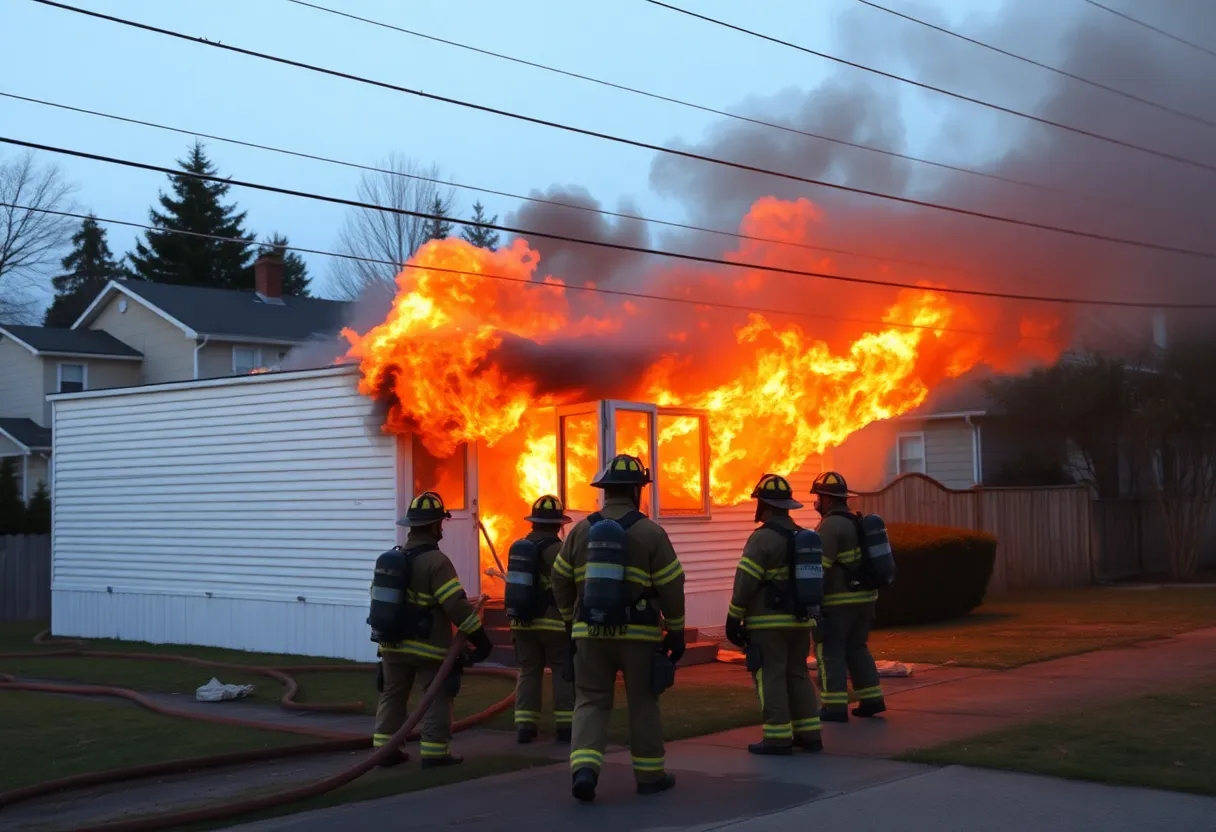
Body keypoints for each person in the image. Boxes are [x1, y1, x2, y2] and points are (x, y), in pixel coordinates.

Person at [551, 453, 687, 803]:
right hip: (638, 636)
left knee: (591, 701)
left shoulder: (581, 531)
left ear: (605, 490)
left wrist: (571, 619)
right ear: (637, 491)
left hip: (589, 634)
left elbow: (559, 578)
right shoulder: (651, 532)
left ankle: (584, 771)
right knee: (643, 702)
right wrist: (676, 630)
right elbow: (672, 584)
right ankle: (649, 776)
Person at [372, 491, 495, 767]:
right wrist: (481, 639)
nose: (441, 528)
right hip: (427, 647)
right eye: (440, 523)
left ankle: (385, 750)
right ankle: (435, 751)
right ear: (432, 526)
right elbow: (456, 605)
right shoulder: (436, 562)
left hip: (391, 644)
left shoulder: (394, 559)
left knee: (392, 694)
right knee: (438, 694)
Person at [725, 473, 823, 754]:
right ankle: (810, 733)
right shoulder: (802, 536)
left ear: (764, 506)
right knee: (798, 673)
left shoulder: (762, 539)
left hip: (767, 624)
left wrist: (733, 617)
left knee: (771, 675)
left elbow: (745, 582)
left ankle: (777, 737)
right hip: (799, 621)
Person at [811, 472, 886, 722]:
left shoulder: (830, 526)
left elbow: (818, 568)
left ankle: (834, 707)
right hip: (866, 599)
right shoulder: (856, 520)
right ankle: (872, 699)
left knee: (829, 650)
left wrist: (810, 600)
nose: (816, 503)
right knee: (857, 648)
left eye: (818, 497)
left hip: (838, 602)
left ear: (827, 499)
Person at [510, 494, 576, 744]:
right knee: (562, 669)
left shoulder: (519, 548)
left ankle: (525, 727)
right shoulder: (560, 551)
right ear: (559, 524)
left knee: (528, 671)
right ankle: (566, 726)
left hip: (521, 622)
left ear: (533, 523)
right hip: (553, 622)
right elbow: (571, 585)